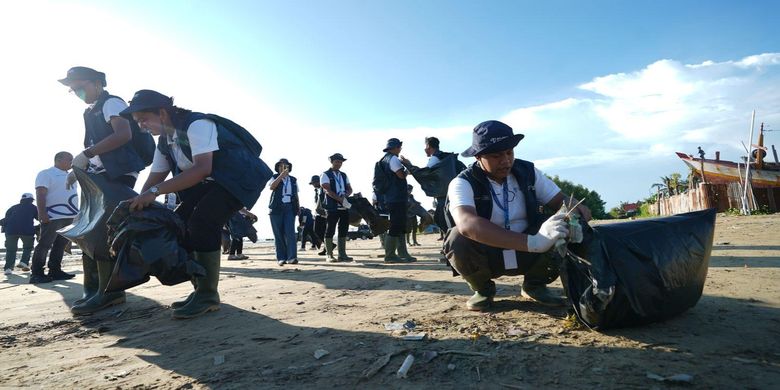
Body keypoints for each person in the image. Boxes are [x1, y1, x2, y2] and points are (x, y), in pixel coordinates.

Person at [122, 89, 268, 319]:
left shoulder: (197, 124)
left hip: (238, 178)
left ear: (162, 112)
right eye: (138, 122)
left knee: (203, 223)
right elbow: (156, 175)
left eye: (143, 120)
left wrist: (153, 192)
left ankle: (208, 295)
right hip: (210, 182)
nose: (142, 127)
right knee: (180, 223)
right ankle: (200, 290)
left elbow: (202, 168)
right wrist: (139, 201)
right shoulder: (164, 142)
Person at [444, 120, 592, 311]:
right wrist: (534, 242)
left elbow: (561, 200)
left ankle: (535, 285)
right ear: (478, 157)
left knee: (561, 226)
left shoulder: (528, 172)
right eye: (496, 155)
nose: (505, 161)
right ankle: (483, 290)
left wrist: (574, 210)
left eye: (509, 153)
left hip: (531, 251)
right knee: (457, 238)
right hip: (491, 251)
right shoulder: (462, 182)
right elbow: (467, 223)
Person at [58, 67, 150, 314]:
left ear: (97, 84)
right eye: (72, 89)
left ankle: (110, 292)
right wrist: (79, 170)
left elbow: (123, 134)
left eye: (80, 86)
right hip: (99, 174)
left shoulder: (111, 103)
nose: (76, 92)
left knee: (100, 230)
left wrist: (86, 154)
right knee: (87, 228)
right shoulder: (91, 110)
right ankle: (93, 288)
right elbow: (93, 149)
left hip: (117, 173)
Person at [29, 152, 79, 284]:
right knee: (45, 244)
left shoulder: (72, 175)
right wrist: (42, 213)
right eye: (69, 159)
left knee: (61, 245)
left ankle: (55, 271)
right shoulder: (46, 173)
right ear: (59, 159)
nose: (72, 162)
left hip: (70, 216)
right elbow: (40, 193)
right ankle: (37, 273)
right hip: (53, 215)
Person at [378, 138, 416, 263]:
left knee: (399, 224)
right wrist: (408, 166)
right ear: (395, 148)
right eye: (399, 147)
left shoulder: (384, 159)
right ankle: (390, 255)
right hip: (396, 197)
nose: (400, 149)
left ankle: (402, 253)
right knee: (396, 224)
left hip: (391, 197)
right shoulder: (393, 159)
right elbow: (400, 175)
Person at [320, 153, 353, 262]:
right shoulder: (325, 174)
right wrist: (339, 199)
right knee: (330, 229)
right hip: (332, 206)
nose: (339, 164)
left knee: (343, 229)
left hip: (344, 206)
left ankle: (342, 254)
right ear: (332, 162)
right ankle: (329, 254)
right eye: (336, 162)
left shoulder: (344, 175)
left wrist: (346, 195)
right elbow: (327, 190)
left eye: (340, 162)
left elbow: (349, 189)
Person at [268, 158, 300, 266]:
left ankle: (292, 257)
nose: (283, 167)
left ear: (289, 167)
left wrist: (298, 208)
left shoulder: (293, 180)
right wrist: (281, 176)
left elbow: (296, 195)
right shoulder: (274, 177)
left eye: (285, 166)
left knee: (290, 233)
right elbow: (272, 187)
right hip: (276, 208)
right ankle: (281, 258)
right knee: (278, 234)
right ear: (277, 168)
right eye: (281, 166)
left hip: (290, 207)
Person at [2, 194, 39, 275]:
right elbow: (39, 218)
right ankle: (24, 262)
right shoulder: (33, 207)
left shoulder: (13, 207)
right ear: (31, 200)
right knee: (28, 247)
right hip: (27, 231)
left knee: (11, 250)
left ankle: (8, 268)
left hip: (11, 230)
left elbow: (6, 218)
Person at [309, 176, 328, 256]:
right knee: (320, 231)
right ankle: (327, 247)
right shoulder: (317, 190)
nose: (313, 185)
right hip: (319, 213)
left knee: (319, 230)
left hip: (323, 213)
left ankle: (328, 247)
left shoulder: (323, 189)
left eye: (314, 183)